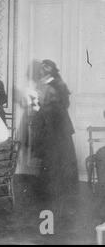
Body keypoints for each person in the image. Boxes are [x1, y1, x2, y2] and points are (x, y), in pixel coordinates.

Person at [31, 59, 79, 203]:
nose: (40, 75)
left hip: (56, 128)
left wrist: (38, 107)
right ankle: (57, 190)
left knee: (55, 158)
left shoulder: (53, 86)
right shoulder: (55, 84)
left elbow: (56, 107)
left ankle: (54, 191)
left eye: (42, 72)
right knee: (57, 158)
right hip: (56, 127)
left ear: (47, 72)